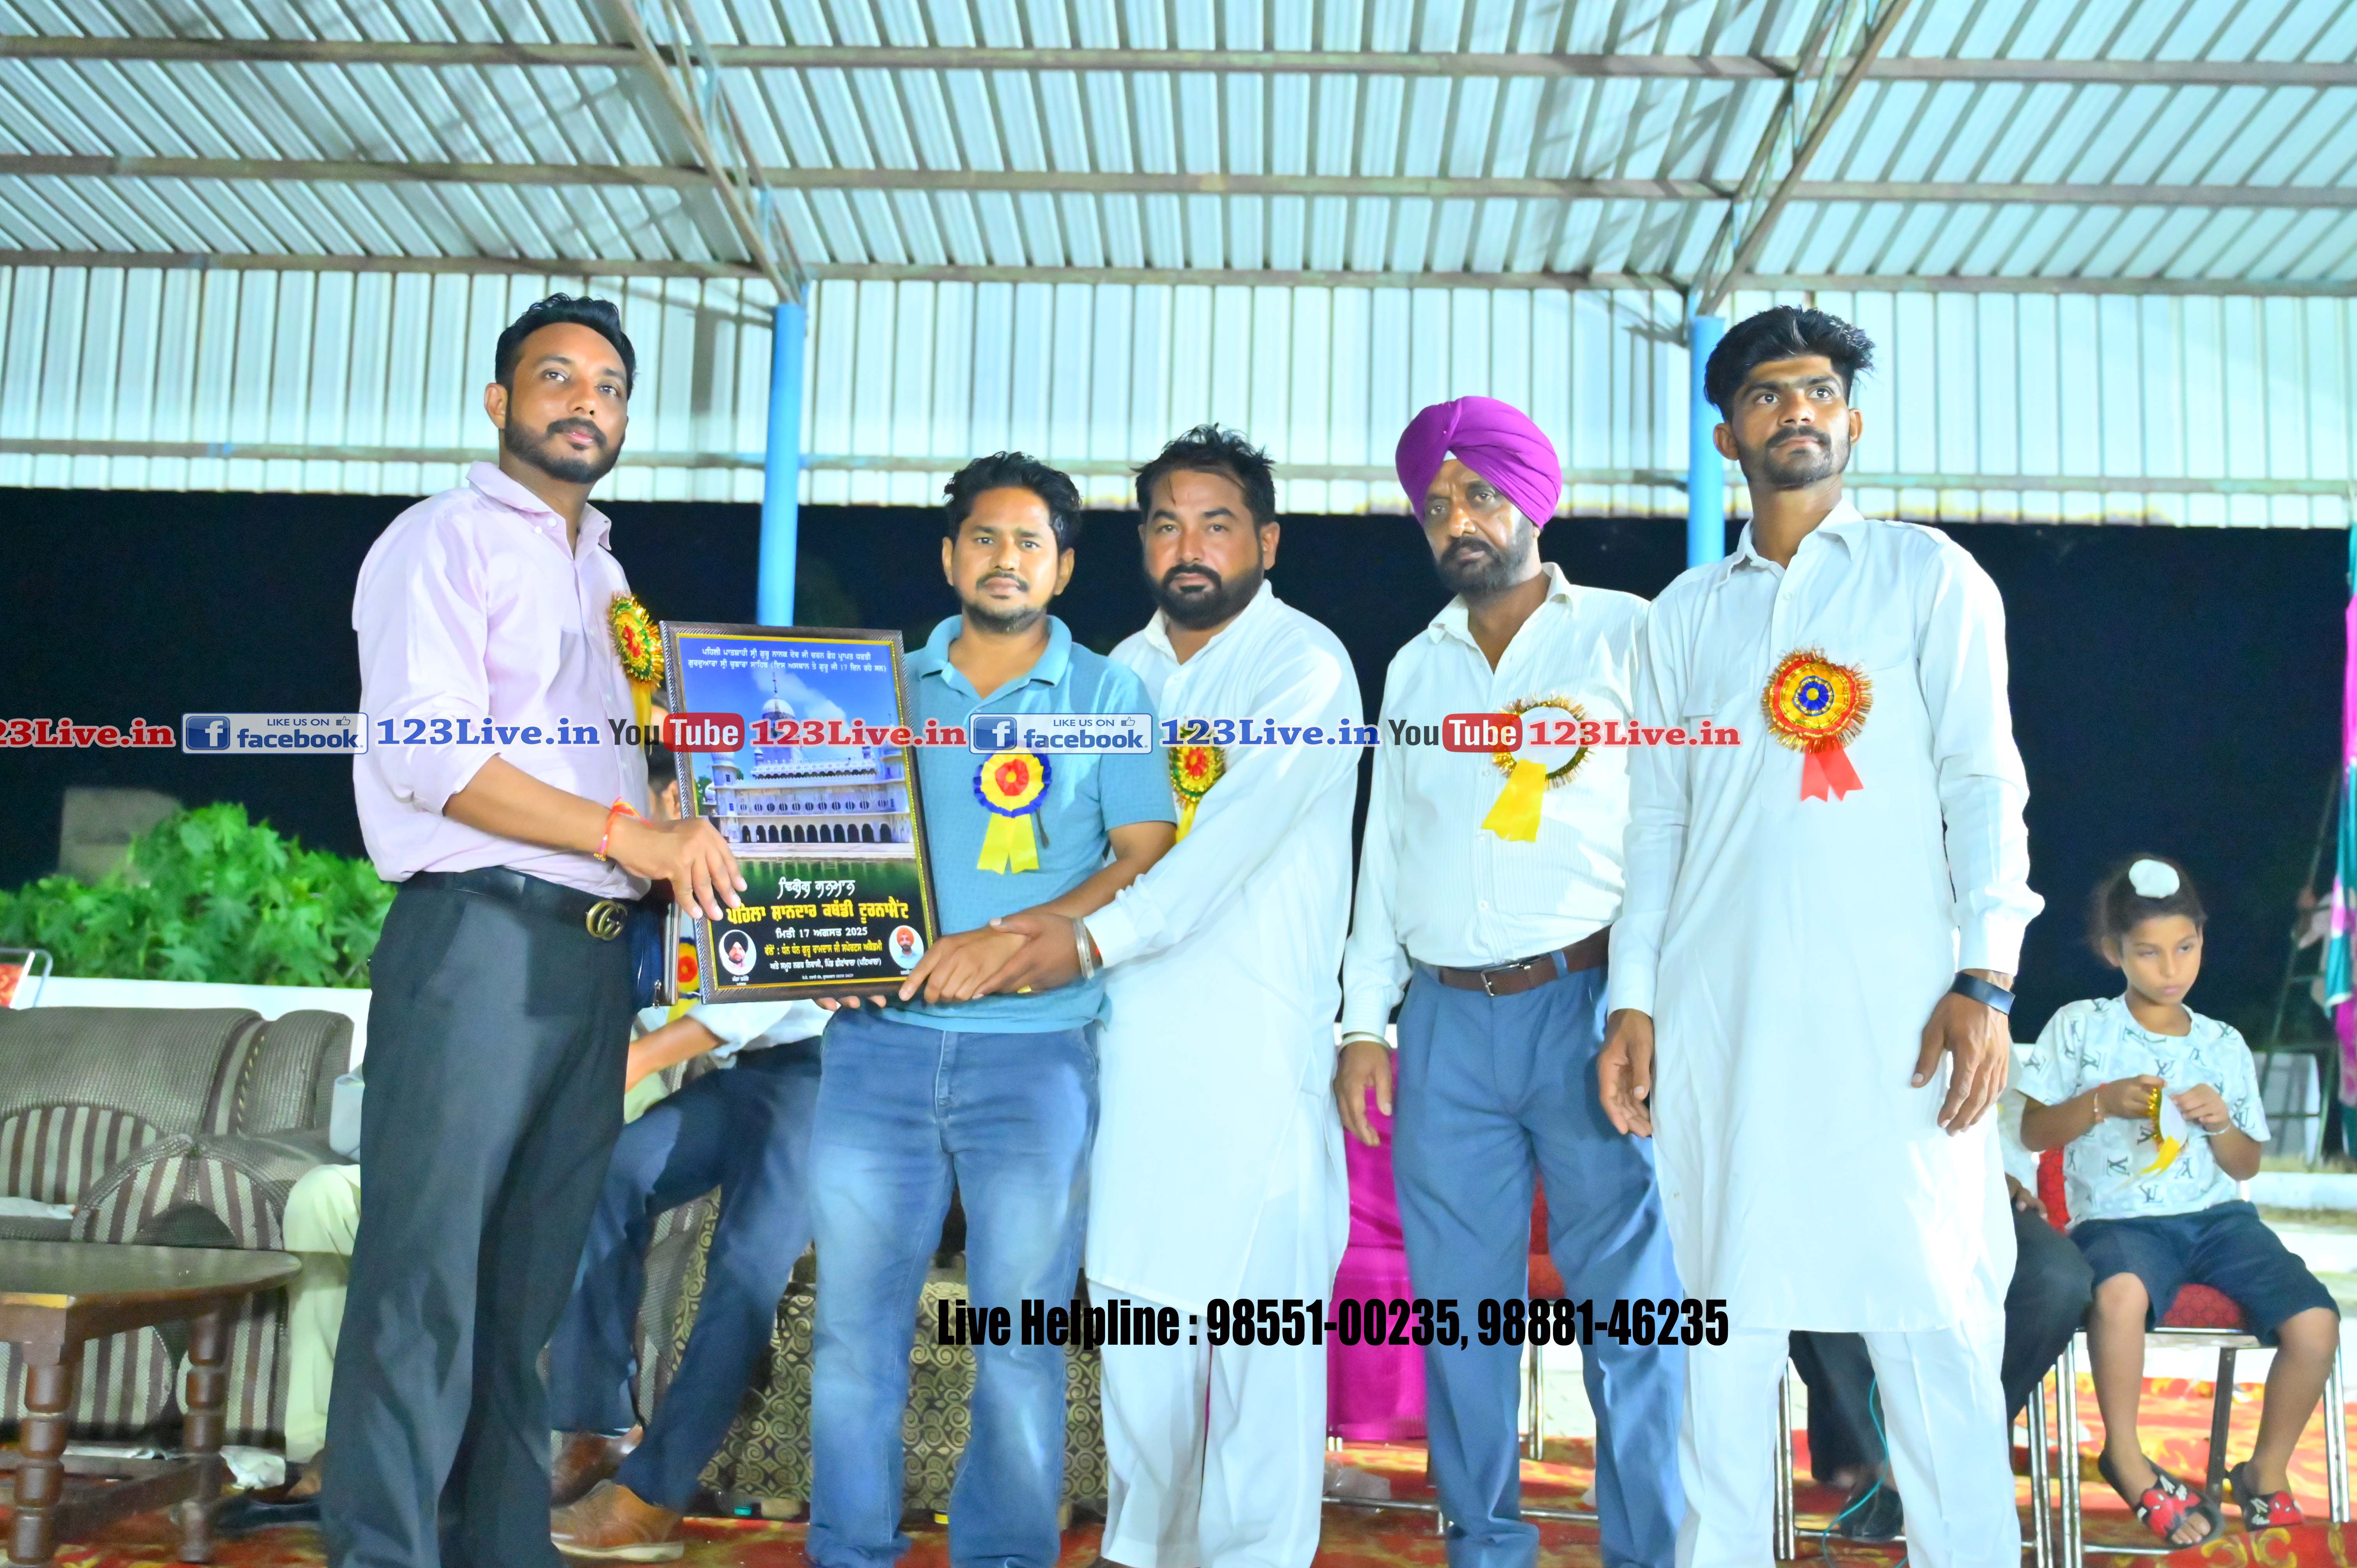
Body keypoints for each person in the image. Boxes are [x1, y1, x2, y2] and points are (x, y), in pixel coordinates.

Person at [1597, 305, 2042, 1568]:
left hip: (1902, 1010)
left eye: (1819, 390)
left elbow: (1982, 782)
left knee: (1930, 1310)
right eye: (1767, 393)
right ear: (1727, 433)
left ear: (1850, 421)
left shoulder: (1926, 576)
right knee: (1724, 1320)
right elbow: (1655, 822)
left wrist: (1986, 975)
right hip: (1719, 1017)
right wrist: (1632, 1000)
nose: (1797, 409)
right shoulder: (1681, 616)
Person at [334, 293, 744, 1568]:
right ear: (499, 402)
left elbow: (623, 782)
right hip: (477, 943)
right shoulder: (440, 540)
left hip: (588, 959)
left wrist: (693, 819)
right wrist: (633, 834)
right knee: (424, 1288)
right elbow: (431, 758)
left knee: (524, 1305)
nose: (586, 401)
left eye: (610, 387)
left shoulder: (608, 578)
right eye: (557, 376)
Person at [979, 426, 1359, 1568]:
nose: (1190, 545)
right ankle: (1143, 1549)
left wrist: (1085, 939)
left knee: (1261, 1354)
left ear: (1267, 541)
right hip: (1132, 1051)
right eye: (1166, 523)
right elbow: (1063, 842)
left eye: (1218, 522)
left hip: (1256, 1052)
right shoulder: (1117, 677)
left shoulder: (1306, 668)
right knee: (1139, 1319)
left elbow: (1217, 857)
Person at [804, 454, 1177, 1568]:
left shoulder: (1109, 697)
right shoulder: (875, 690)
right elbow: (814, 829)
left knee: (1019, 1338)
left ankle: (1005, 1554)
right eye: (984, 538)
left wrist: (1010, 939)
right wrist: (812, 941)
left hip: (1038, 1058)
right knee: (852, 1335)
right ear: (949, 555)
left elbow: (1142, 852)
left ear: (1062, 568)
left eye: (1029, 543)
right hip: (875, 1051)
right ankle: (847, 1551)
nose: (1004, 559)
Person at [1332, 396, 1686, 1568]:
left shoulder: (1630, 636)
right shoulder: (1414, 667)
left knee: (1633, 1310)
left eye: (1481, 494)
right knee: (1460, 1317)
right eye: (1436, 504)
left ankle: (1652, 1551)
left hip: (1591, 1013)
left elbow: (1666, 836)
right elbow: (1386, 850)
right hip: (1443, 1025)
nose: (1459, 521)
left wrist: (1638, 999)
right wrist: (1364, 1020)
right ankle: (1485, 1543)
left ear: (1534, 500)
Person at [546, 747, 829, 1561]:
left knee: (744, 1267)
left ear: (672, 795)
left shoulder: (789, 827)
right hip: (750, 1076)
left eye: (634, 806)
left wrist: (635, 1062)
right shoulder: (671, 873)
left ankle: (655, 1495)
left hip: (831, 1072)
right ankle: (598, 1423)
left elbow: (777, 980)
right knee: (608, 1174)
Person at [2019, 856, 2341, 1546]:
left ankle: (2263, 1470)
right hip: (2120, 1223)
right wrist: (2100, 1102)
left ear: (2201, 938)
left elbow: (2245, 1163)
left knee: (2316, 1323)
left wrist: (2221, 1123)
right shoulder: (2080, 1026)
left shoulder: (2222, 1043)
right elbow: (2033, 1131)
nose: (2171, 968)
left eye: (2185, 947)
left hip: (2221, 1223)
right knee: (2118, 1297)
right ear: (2113, 951)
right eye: (2148, 952)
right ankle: (2127, 1458)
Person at [1787, 1062, 2095, 1540]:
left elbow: (2002, 1118)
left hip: (1970, 1186)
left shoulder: (1969, 1013)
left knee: (2057, 1277)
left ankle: (1955, 1450)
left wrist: (2001, 1176)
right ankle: (1882, 1462)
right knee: (1809, 1270)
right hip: (1843, 1193)